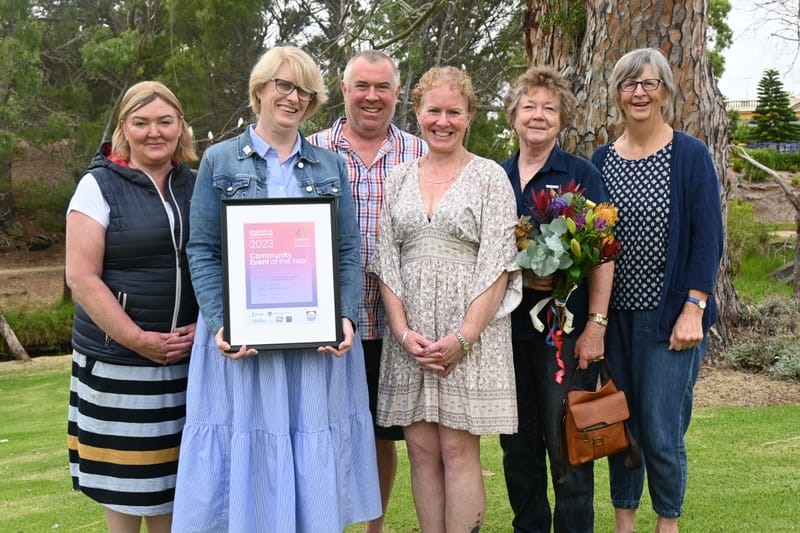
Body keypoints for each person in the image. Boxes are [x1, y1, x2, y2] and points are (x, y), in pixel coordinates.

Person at [171, 45, 382, 532]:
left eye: (304, 90)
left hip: (315, 341)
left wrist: (345, 316)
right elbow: (202, 249)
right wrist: (223, 323)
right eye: (283, 85)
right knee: (248, 441)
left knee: (310, 442)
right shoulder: (221, 162)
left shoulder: (329, 166)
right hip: (241, 340)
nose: (293, 97)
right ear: (260, 90)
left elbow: (347, 250)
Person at [368, 66, 522, 531]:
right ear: (417, 112)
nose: (443, 121)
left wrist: (464, 337)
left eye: (454, 112)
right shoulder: (397, 178)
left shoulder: (490, 177)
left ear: (469, 115)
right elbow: (385, 259)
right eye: (433, 110)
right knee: (419, 449)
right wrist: (400, 331)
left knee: (457, 448)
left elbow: (498, 264)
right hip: (411, 338)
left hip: (467, 338)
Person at [590, 48, 723, 533]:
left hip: (670, 319)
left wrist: (695, 307)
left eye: (649, 83)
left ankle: (667, 524)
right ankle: (625, 523)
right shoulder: (602, 160)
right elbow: (591, 244)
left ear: (666, 90)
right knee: (618, 425)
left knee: (662, 430)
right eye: (629, 84)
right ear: (617, 93)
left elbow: (707, 238)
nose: (639, 92)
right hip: (613, 318)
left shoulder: (689, 155)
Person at [66, 81, 199, 533]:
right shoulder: (97, 185)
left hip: (184, 361)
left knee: (174, 488)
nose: (154, 132)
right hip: (120, 361)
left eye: (165, 121)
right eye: (141, 123)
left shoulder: (195, 185)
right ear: (125, 127)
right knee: (126, 491)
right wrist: (138, 339)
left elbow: (217, 265)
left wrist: (203, 327)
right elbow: (81, 277)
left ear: (181, 126)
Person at [308, 49, 427, 532]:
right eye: (362, 86)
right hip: (327, 321)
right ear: (343, 90)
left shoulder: (420, 154)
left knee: (384, 437)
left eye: (383, 87)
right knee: (324, 432)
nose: (372, 97)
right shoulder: (310, 151)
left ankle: (375, 528)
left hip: (402, 325)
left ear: (397, 93)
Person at [498, 66, 614, 533]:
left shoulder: (581, 176)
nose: (538, 115)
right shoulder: (493, 176)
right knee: (518, 445)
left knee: (568, 443)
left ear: (562, 117)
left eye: (549, 107)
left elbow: (604, 253)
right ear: (514, 115)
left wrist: (597, 325)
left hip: (563, 334)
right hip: (505, 332)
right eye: (529, 106)